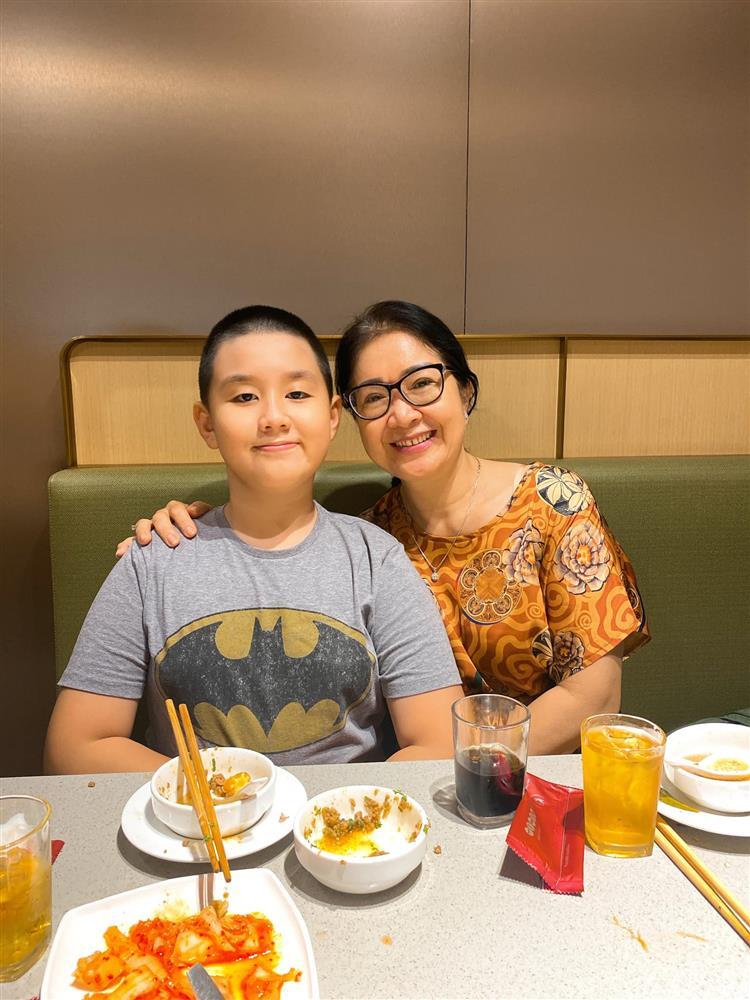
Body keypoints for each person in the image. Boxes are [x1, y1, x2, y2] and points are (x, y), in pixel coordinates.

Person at [119, 301, 649, 754]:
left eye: (423, 384)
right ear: (349, 417)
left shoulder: (551, 501)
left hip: (534, 774)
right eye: (375, 397)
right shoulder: (373, 537)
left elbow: (594, 697)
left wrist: (464, 763)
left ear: (465, 392)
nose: (402, 414)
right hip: (425, 781)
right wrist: (193, 531)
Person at [45, 305, 463, 774]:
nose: (273, 417)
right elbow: (75, 747)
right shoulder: (155, 559)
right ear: (207, 424)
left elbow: (437, 743)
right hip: (196, 812)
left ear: (331, 417)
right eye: (244, 396)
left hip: (338, 815)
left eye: (297, 393)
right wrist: (228, 794)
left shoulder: (374, 558)